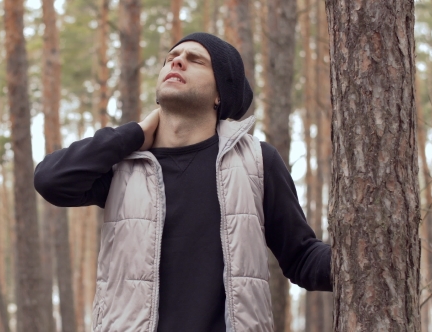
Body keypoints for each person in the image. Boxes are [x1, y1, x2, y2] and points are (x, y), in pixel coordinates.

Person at [34, 32, 331, 332]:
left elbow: (302, 257)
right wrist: (134, 134)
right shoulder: (126, 166)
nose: (177, 61)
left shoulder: (256, 161)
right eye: (171, 58)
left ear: (221, 94)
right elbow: (51, 180)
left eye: (195, 60)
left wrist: (365, 258)